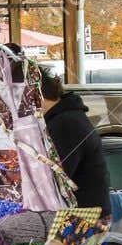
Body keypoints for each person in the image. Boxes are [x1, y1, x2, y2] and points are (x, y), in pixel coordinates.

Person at [39, 71, 110, 213]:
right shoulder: (66, 116)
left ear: (37, 96)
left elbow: (58, 175)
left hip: (85, 216)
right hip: (87, 210)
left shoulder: (65, 122)